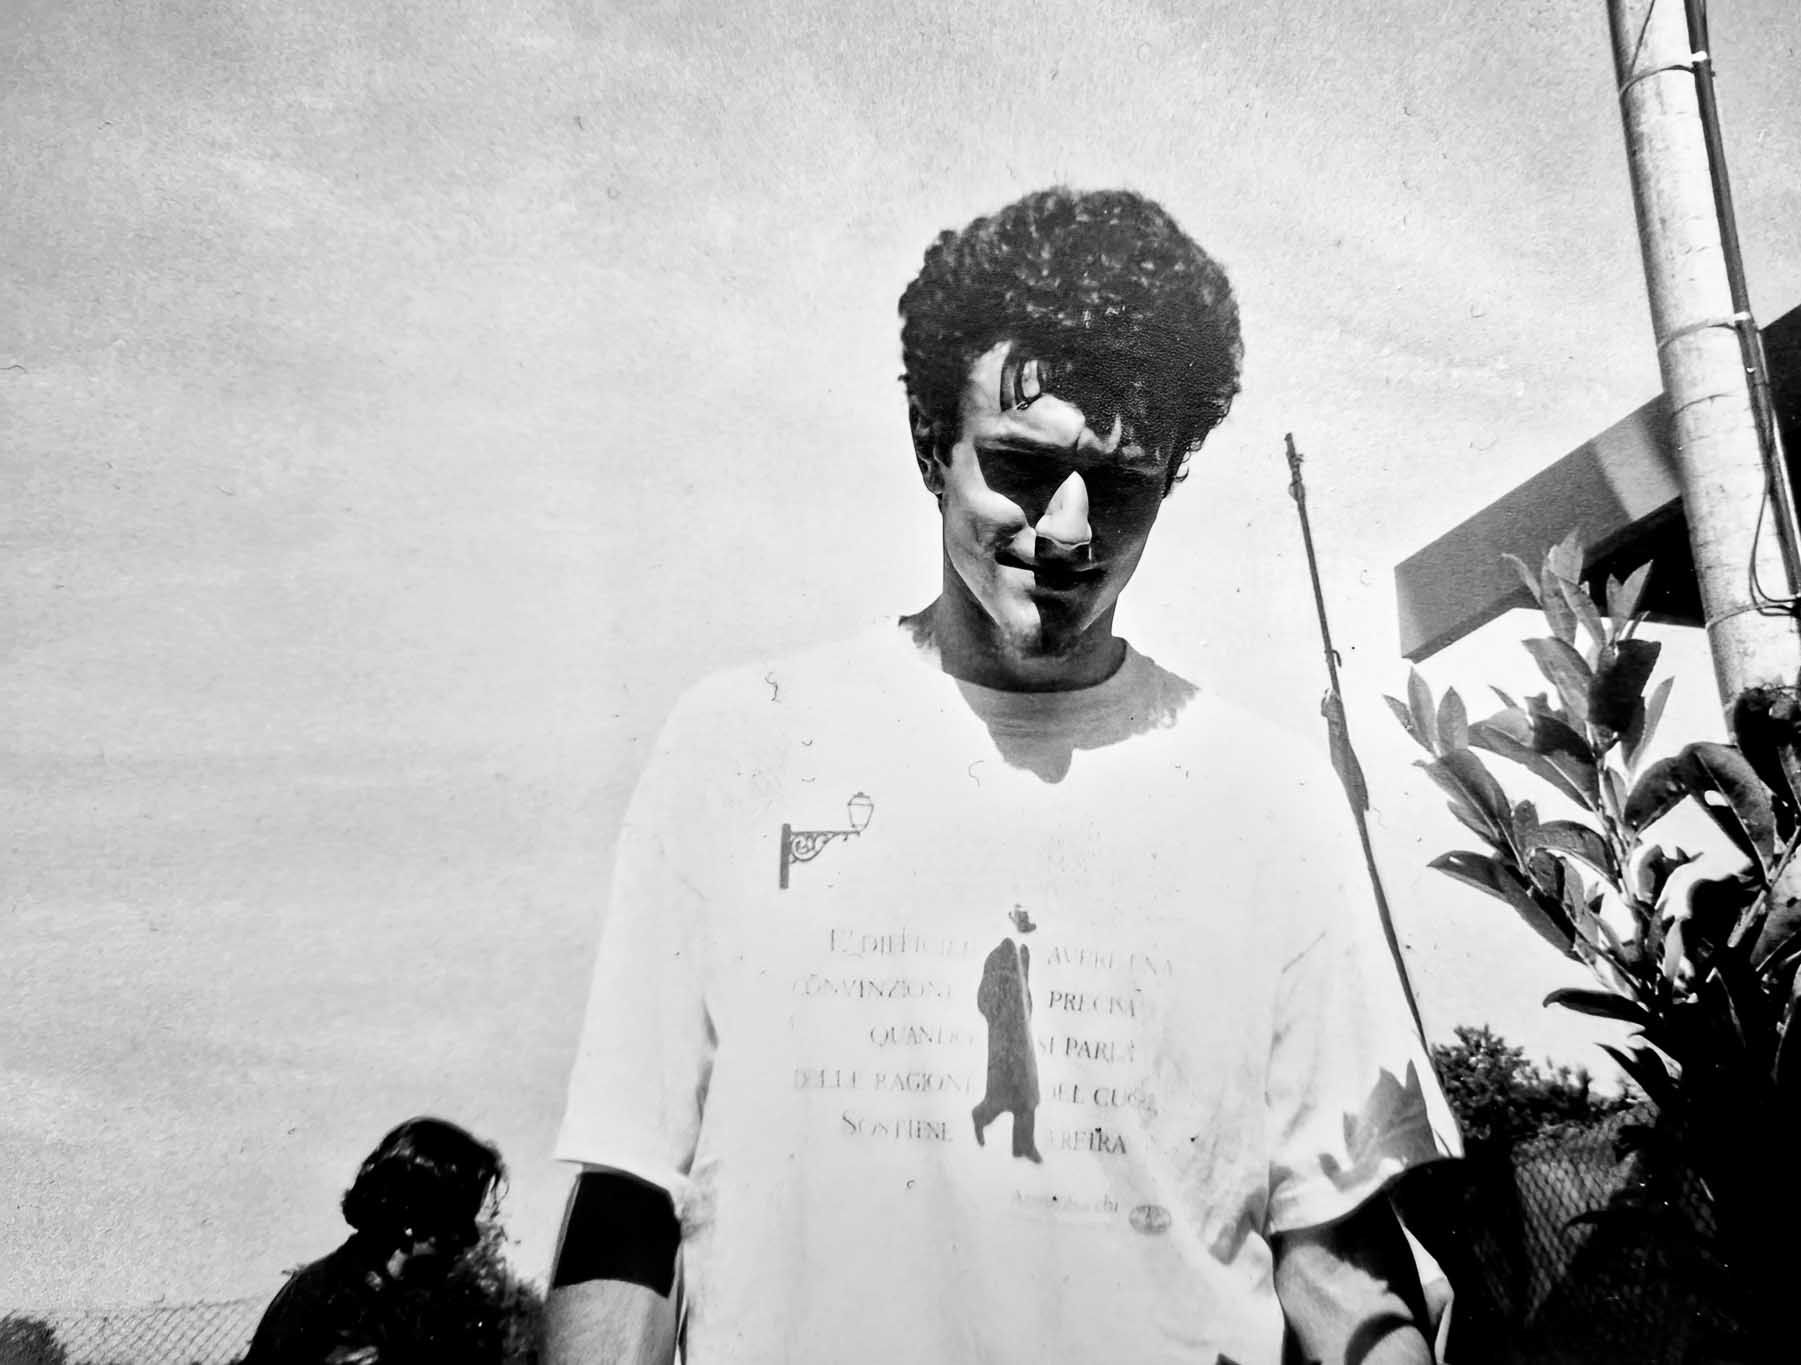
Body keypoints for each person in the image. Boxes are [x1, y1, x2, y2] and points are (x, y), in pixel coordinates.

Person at [543, 186, 1461, 1365]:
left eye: (1120, 485)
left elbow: (1332, 1260)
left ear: (1173, 476)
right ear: (929, 442)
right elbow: (630, 1207)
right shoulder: (743, 746)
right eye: (1022, 468)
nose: (1068, 528)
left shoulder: (1269, 803)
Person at [243, 1116, 508, 1365]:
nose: (472, 1237)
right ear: (411, 1217)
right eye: (459, 1219)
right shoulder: (322, 1300)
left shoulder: (430, 1307)